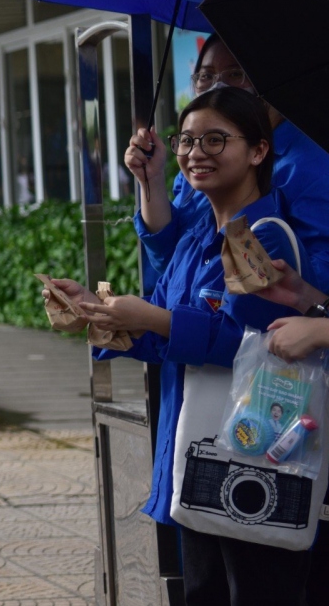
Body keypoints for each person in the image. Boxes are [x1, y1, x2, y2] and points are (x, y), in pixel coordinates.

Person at [57, 87, 316, 603]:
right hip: (195, 454)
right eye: (188, 140)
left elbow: (251, 347)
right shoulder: (198, 236)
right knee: (202, 592)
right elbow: (165, 337)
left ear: (258, 150)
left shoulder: (257, 239)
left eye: (216, 139)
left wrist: (152, 317)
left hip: (252, 456)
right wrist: (94, 310)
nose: (197, 152)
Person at [127, 35, 329, 287]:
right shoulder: (198, 180)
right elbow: (170, 262)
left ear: (258, 152)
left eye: (235, 74)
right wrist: (152, 180)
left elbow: (300, 284)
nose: (218, 87)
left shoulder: (303, 173)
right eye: (205, 76)